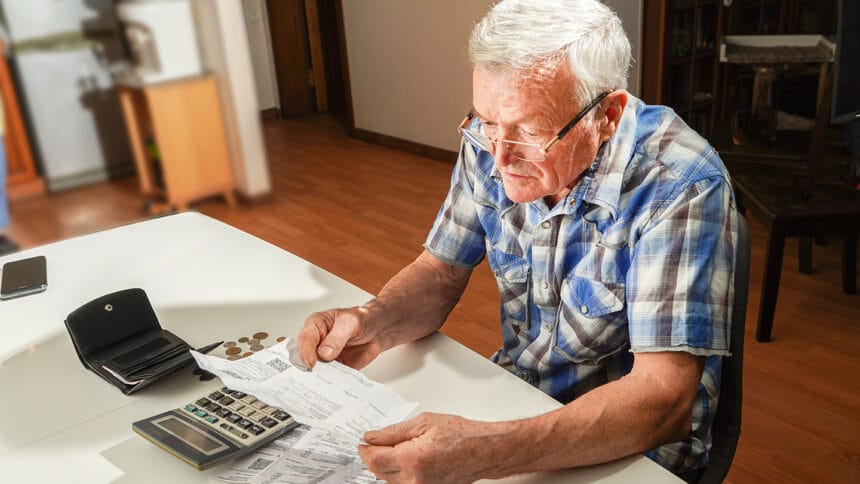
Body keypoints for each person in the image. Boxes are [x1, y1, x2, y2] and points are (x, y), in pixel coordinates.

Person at [298, 0, 739, 482]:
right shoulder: (490, 143)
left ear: (607, 115)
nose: (499, 156)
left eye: (529, 131)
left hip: (632, 452)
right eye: (485, 120)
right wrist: (374, 320)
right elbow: (440, 271)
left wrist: (487, 451)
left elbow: (663, 400)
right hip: (516, 398)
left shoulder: (680, 184)